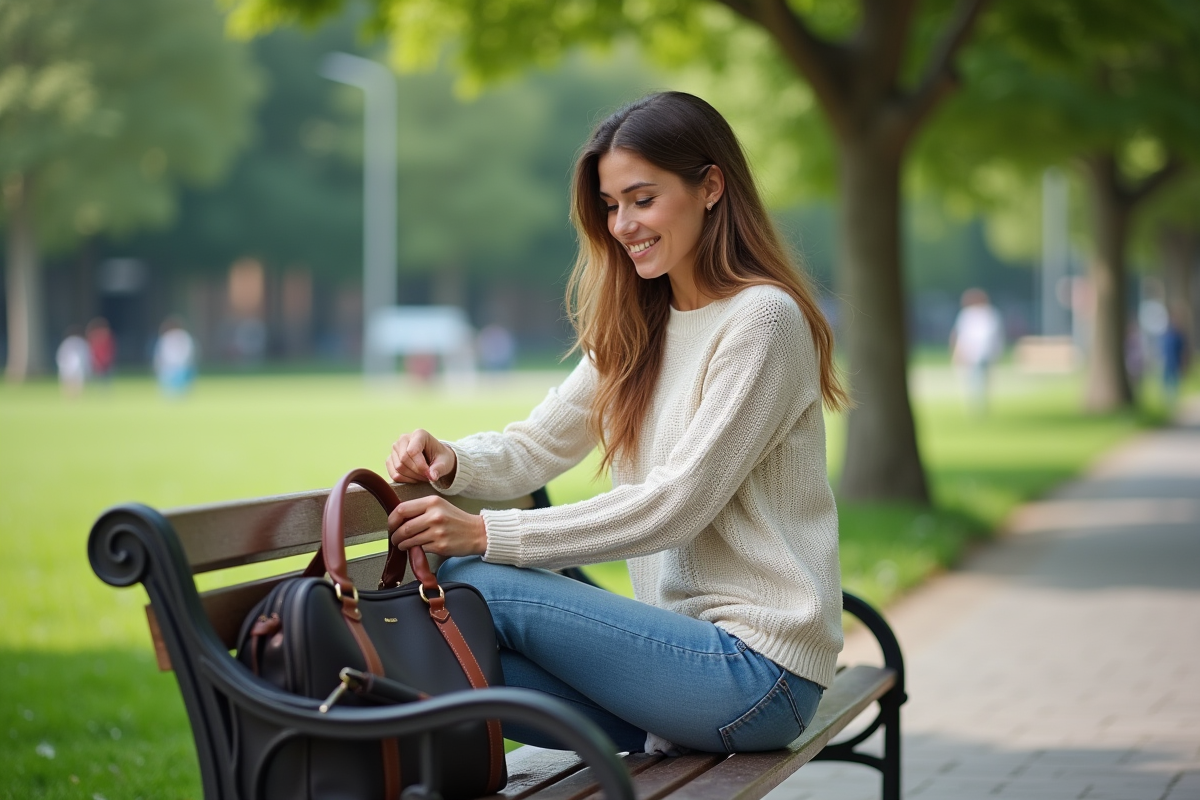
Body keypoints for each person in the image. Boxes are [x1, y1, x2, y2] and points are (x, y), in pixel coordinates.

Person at [383, 92, 847, 755]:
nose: (623, 223)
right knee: (446, 664)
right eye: (610, 205)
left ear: (710, 186)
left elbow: (675, 504)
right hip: (674, 666)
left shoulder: (762, 321)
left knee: (473, 585)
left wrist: (485, 531)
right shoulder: (643, 323)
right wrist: (452, 461)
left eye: (642, 198)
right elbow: (537, 443)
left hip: (757, 675)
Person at [949, 288, 1005, 415]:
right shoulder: (967, 314)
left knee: (981, 380)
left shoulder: (989, 314)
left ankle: (979, 407)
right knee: (971, 380)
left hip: (983, 353)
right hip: (969, 353)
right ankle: (975, 407)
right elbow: (960, 335)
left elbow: (993, 336)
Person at [153, 316, 196, 397]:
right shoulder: (168, 337)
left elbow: (188, 351)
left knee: (179, 389)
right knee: (171, 390)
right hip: (171, 366)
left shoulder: (182, 336)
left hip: (179, 366)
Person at [56, 327, 91, 397]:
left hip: (73, 367)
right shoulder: (73, 343)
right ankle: (72, 397)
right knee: (71, 383)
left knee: (74, 383)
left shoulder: (76, 343)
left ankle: (73, 397)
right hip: (71, 367)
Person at [85, 316, 116, 384]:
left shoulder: (106, 336)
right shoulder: (95, 336)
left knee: (104, 378)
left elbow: (110, 349)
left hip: (104, 360)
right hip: (99, 360)